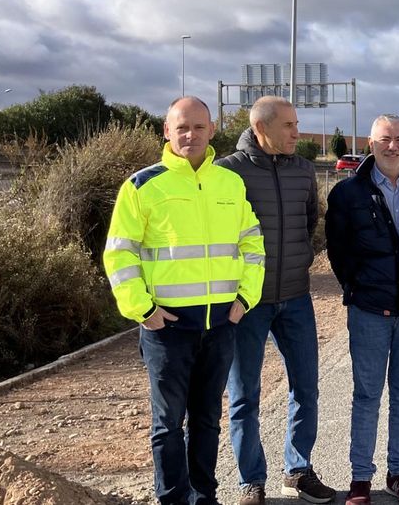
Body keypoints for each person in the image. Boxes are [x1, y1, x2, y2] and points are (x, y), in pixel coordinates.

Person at [103, 96, 264, 505]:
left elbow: (252, 245)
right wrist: (143, 309)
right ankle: (173, 498)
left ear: (212, 130)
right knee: (168, 423)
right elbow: (120, 254)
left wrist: (245, 298)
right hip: (167, 326)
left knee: (207, 419)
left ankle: (204, 496)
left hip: (221, 323)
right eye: (181, 128)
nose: (190, 134)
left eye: (198, 127)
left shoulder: (229, 183)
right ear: (167, 132)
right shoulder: (143, 185)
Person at [215, 96, 335, 505]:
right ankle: (251, 481)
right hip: (245, 303)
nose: (297, 133)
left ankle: (297, 471)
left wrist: (300, 259)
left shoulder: (303, 170)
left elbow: (309, 221)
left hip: (296, 297)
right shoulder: (227, 172)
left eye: (297, 124)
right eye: (289, 125)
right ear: (261, 127)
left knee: (306, 387)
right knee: (245, 393)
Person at [326, 114, 399, 505]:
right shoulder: (348, 193)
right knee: (366, 395)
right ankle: (361, 478)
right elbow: (338, 251)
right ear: (370, 143)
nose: (392, 146)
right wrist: (357, 288)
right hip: (368, 310)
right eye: (384, 139)